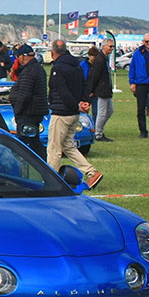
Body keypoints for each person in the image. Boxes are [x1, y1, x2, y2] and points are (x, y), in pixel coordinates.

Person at [47, 39, 103, 189]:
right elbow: (84, 85)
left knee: (54, 148)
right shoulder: (76, 66)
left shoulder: (57, 68)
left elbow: (61, 91)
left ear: (53, 52)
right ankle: (91, 172)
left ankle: (50, 181)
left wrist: (76, 104)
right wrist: (84, 102)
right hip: (74, 114)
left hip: (61, 113)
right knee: (68, 146)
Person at [9, 44, 48, 160]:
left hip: (28, 113)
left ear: (22, 57)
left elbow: (24, 94)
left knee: (27, 143)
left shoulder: (29, 71)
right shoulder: (37, 69)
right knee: (34, 141)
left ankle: (32, 165)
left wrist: (17, 111)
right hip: (34, 111)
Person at [87, 39, 115, 142]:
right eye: (110, 46)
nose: (112, 48)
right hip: (101, 90)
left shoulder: (105, 58)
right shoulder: (100, 59)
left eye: (112, 47)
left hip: (106, 89)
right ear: (104, 46)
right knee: (102, 112)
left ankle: (99, 130)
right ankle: (98, 133)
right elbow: (96, 75)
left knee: (109, 111)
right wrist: (92, 89)